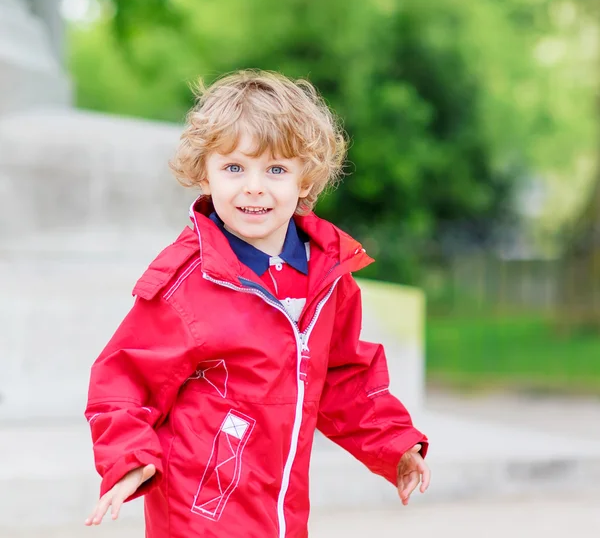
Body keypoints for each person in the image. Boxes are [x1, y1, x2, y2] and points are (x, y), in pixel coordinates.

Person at [84, 70, 430, 537]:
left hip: (282, 510)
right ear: (204, 172)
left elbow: (343, 377)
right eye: (234, 168)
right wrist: (128, 459)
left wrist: (394, 444)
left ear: (305, 181)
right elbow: (124, 378)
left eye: (276, 170)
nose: (254, 186)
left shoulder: (328, 278)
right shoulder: (188, 280)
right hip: (199, 510)